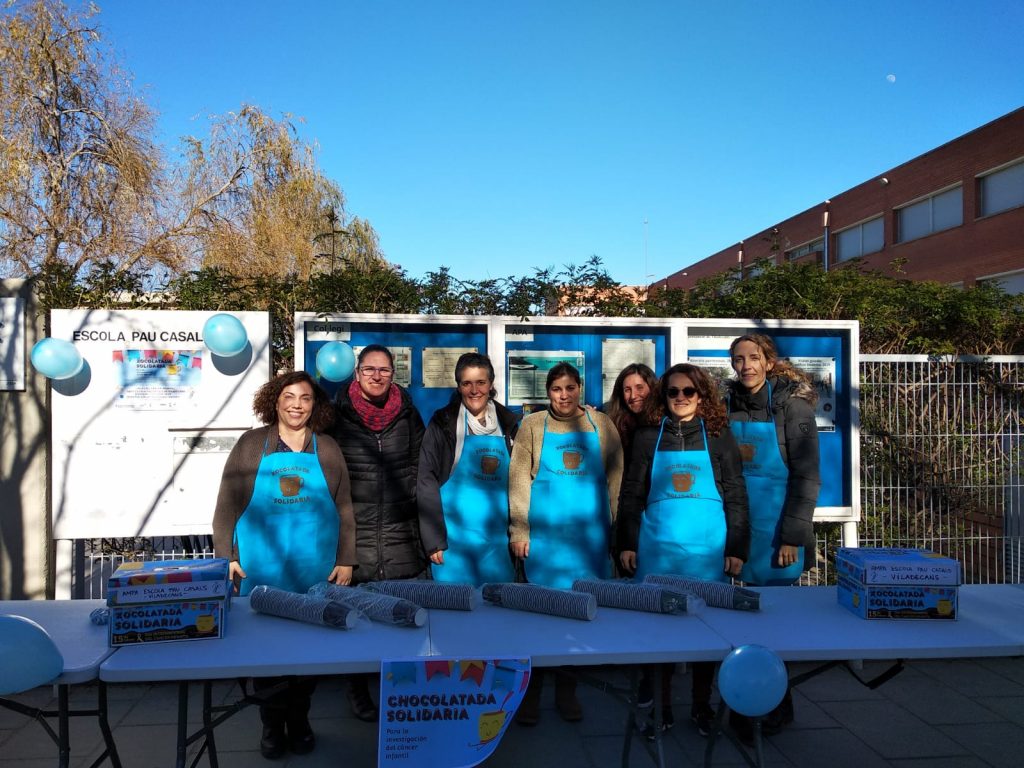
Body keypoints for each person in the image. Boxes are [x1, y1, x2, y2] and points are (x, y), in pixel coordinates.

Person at [212, 371, 356, 759]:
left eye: (305, 398)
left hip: (315, 570)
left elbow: (344, 508)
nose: (296, 405)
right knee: (266, 653)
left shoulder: (325, 448)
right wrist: (228, 557)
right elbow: (227, 506)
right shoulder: (251, 445)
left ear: (315, 406)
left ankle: (300, 719)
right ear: (274, 401)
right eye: (289, 396)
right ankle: (272, 726)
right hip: (263, 568)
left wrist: (346, 559)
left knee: (309, 653)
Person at [617, 363, 749, 739]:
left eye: (688, 391)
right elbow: (632, 493)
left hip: (708, 549)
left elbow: (736, 493)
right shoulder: (647, 437)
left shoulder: (719, 436)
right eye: (672, 392)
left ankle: (702, 705)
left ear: (701, 395)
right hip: (657, 548)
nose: (680, 398)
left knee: (707, 632)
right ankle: (662, 708)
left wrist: (738, 546)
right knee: (659, 634)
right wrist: (626, 541)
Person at [509, 362, 624, 725]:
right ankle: (530, 695)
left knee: (577, 622)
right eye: (557, 389)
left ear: (580, 389)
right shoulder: (532, 425)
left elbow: (616, 478)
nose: (563, 395)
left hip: (588, 543)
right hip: (546, 542)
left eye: (570, 388)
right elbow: (519, 481)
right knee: (538, 622)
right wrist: (520, 530)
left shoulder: (601, 425)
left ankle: (567, 692)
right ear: (548, 392)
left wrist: (616, 529)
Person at [726, 333, 820, 735]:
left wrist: (791, 538)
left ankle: (776, 705)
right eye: (738, 359)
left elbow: (806, 477)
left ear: (768, 361)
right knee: (743, 627)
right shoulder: (727, 407)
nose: (745, 366)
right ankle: (744, 703)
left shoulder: (793, 407)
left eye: (752, 358)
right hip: (741, 530)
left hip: (779, 533)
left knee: (775, 627)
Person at [330, 343, 427, 723]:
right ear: (357, 374)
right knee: (356, 621)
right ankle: (357, 690)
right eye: (369, 369)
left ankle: (399, 691)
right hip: (358, 536)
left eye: (384, 370)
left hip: (402, 533)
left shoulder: (408, 415)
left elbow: (422, 472)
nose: (376, 376)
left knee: (400, 620)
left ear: (393, 374)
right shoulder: (337, 417)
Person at [417, 352, 519, 585]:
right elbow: (426, 481)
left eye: (481, 382)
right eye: (467, 383)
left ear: (491, 384)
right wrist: (433, 539)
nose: (475, 390)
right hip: (454, 543)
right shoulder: (443, 422)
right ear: (459, 386)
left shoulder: (511, 424)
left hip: (498, 543)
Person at [604, 362, 660, 468]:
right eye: (627, 390)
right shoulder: (614, 426)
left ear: (652, 388)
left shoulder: (665, 425)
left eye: (639, 387)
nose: (633, 396)